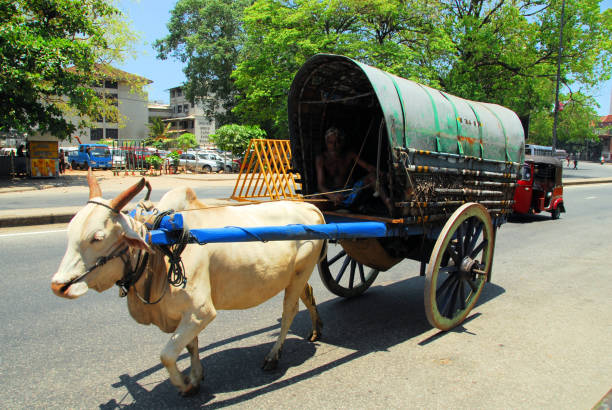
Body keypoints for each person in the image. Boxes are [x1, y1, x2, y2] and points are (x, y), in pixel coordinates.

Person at [315, 127, 392, 213]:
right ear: (326, 143)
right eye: (331, 142)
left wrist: (381, 173)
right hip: (331, 195)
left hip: (350, 193)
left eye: (338, 142)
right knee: (314, 200)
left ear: (342, 143)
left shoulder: (349, 155)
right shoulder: (321, 158)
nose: (334, 146)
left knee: (372, 177)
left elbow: (368, 167)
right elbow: (320, 185)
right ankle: (347, 208)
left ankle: (388, 204)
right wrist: (332, 196)